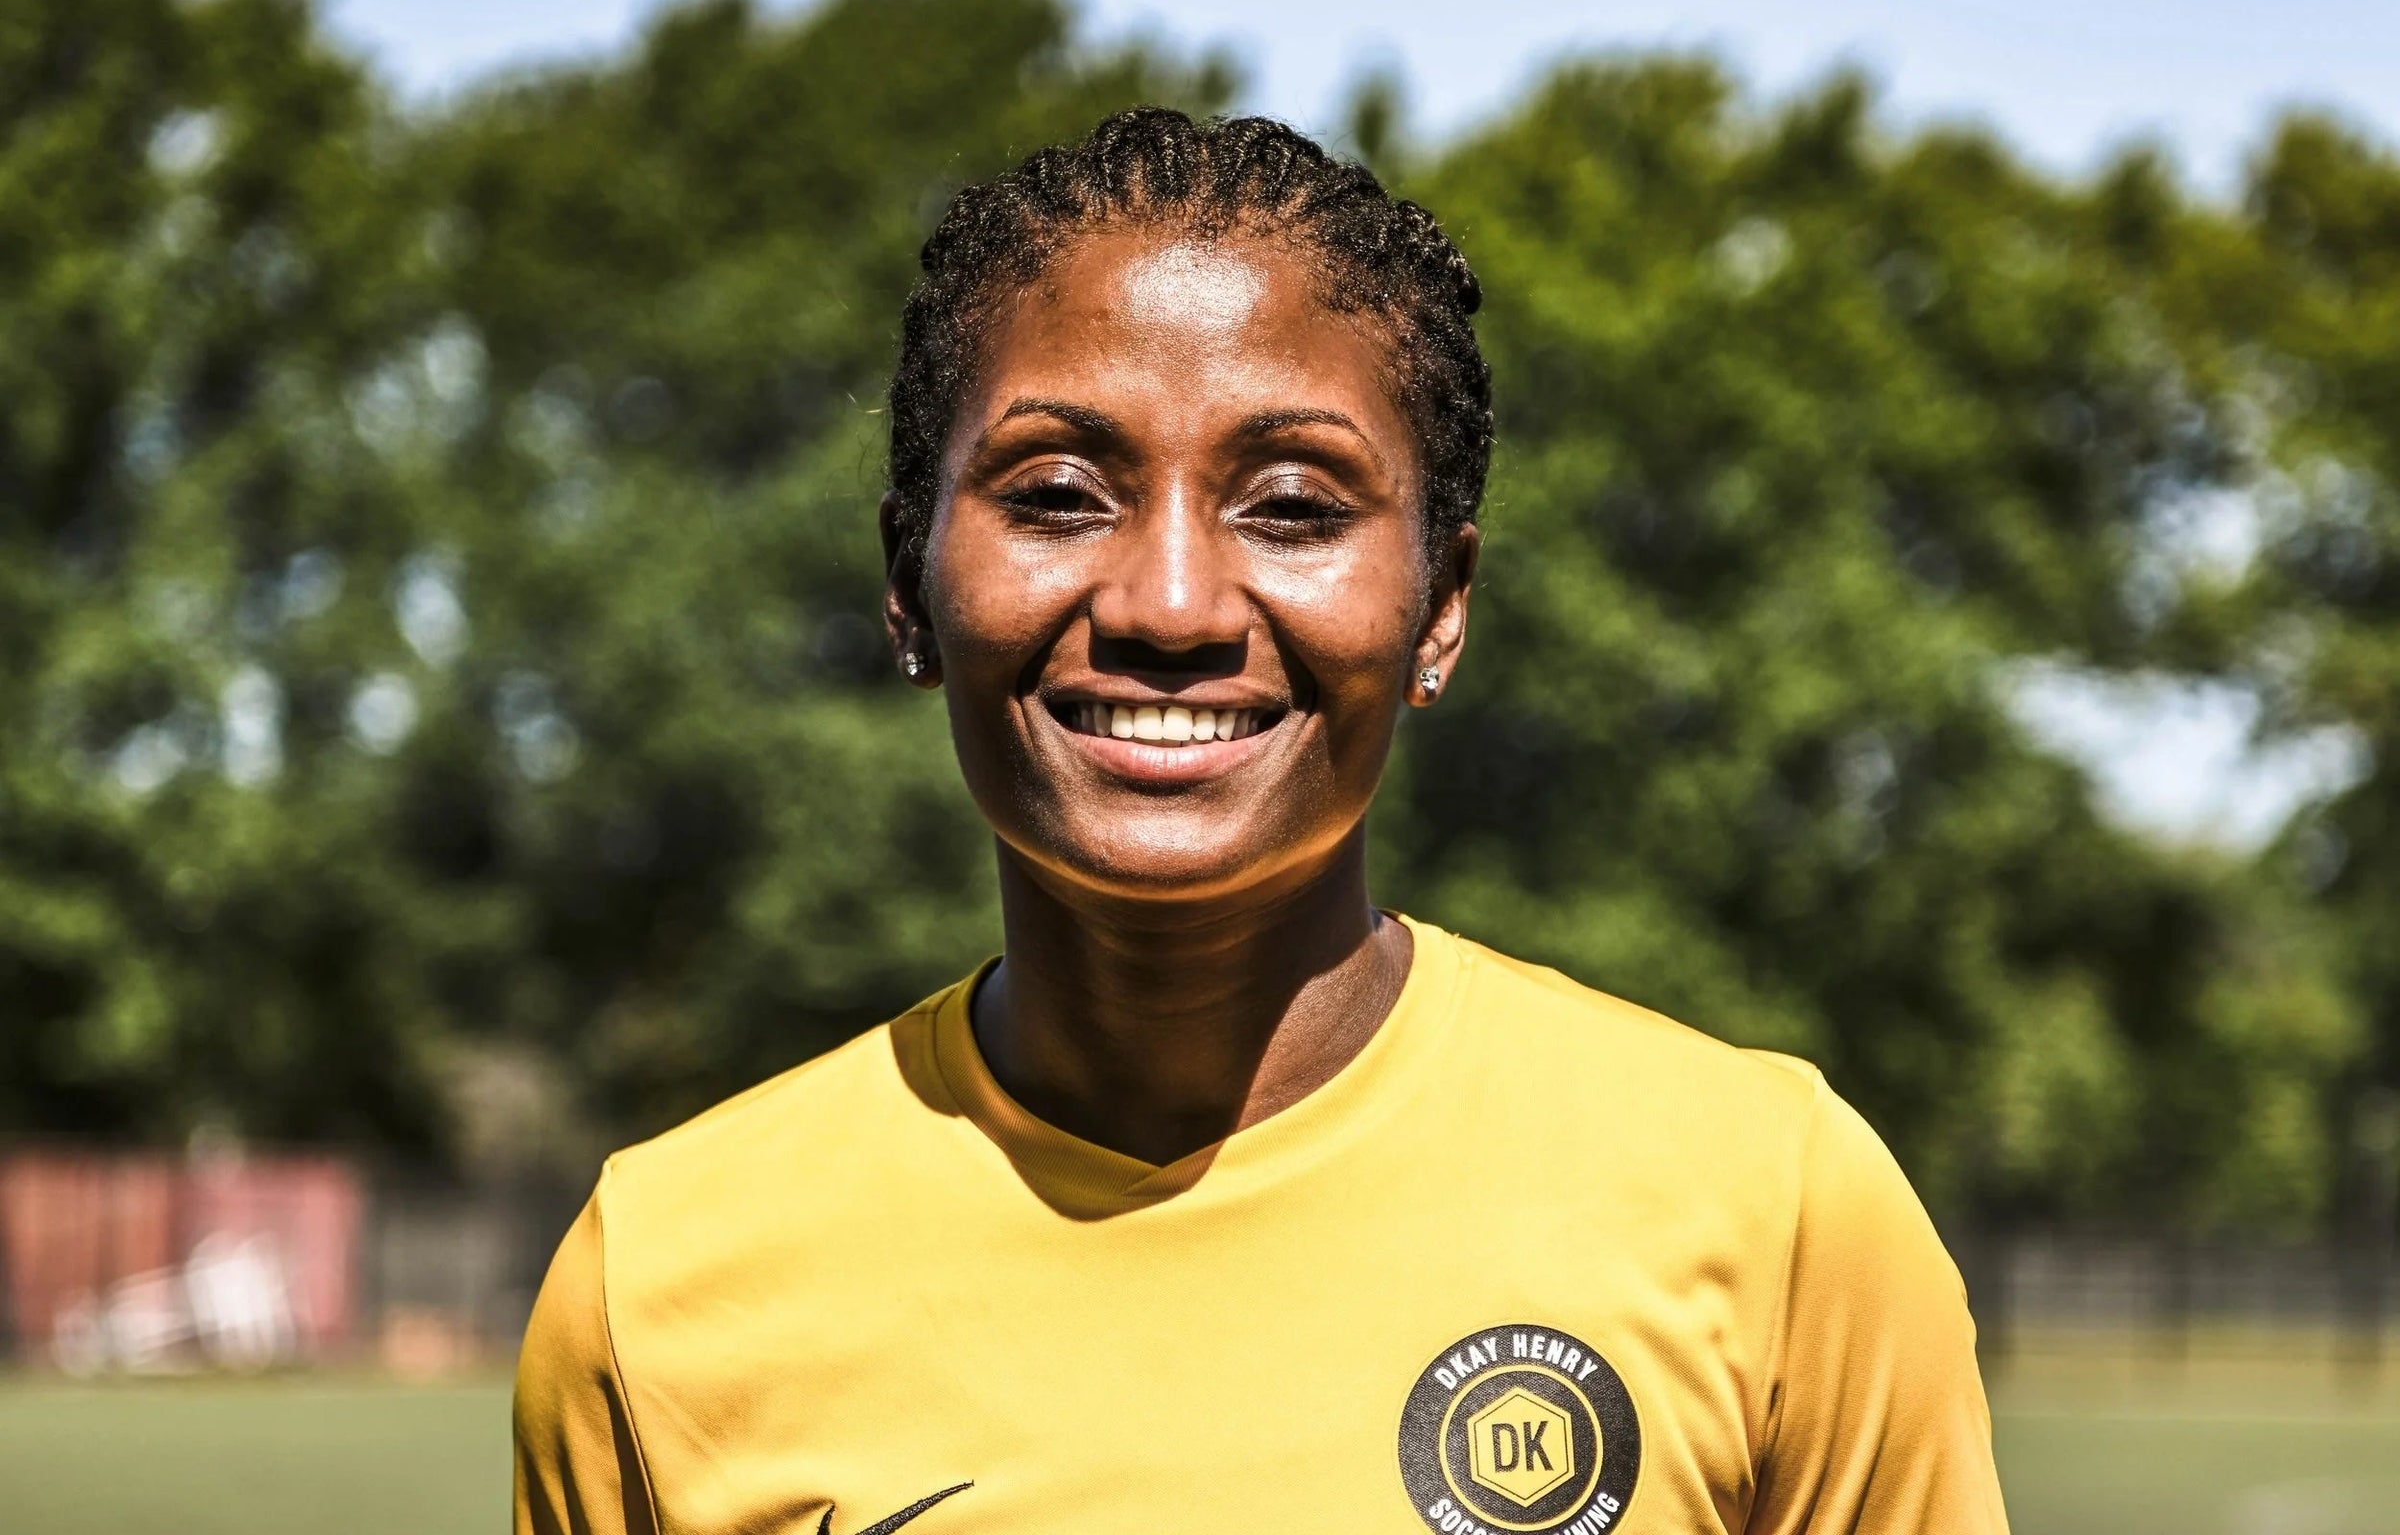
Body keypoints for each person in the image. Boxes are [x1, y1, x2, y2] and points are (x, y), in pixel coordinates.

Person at [513, 107, 2010, 1535]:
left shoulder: (1774, 1212)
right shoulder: (662, 1280)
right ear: (909, 583)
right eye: (1058, 494)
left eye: (1294, 507)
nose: (1170, 605)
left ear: (1440, 607)